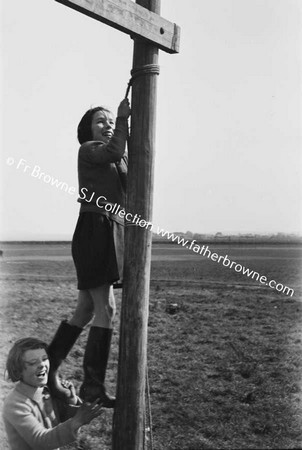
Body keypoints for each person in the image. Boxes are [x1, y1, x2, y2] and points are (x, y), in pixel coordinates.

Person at [47, 98, 131, 408]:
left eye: (111, 121)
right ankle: (92, 386)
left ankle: (49, 371)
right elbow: (114, 150)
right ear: (88, 130)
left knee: (85, 309)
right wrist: (122, 119)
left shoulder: (116, 157)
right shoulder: (89, 150)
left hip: (113, 228)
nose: (107, 125)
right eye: (101, 121)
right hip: (95, 226)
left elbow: (129, 170)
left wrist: (127, 130)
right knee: (105, 308)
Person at [2, 337, 103, 450]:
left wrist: (70, 398)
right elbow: (40, 441)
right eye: (32, 362)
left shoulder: (44, 392)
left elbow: (61, 422)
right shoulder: (15, 404)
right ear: (17, 370)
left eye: (45, 359)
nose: (42, 365)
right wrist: (77, 421)